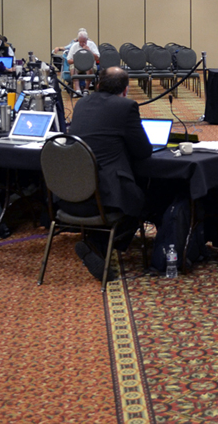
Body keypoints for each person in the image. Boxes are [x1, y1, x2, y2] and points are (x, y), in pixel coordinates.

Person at [67, 66, 153, 280]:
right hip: (107, 191)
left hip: (72, 190)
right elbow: (143, 151)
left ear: (98, 85)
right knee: (145, 199)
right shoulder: (126, 106)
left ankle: (96, 245)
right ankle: (98, 245)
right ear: (125, 90)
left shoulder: (82, 103)